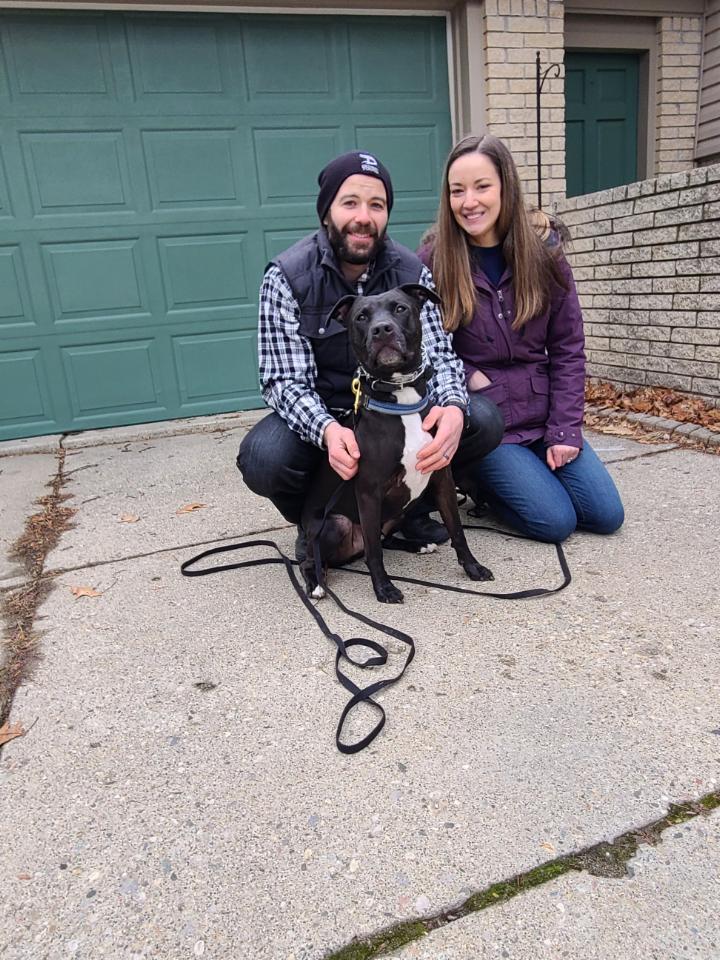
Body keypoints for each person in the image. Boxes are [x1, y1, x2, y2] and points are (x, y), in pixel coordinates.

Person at [236, 150, 504, 554]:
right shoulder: (288, 277)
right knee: (264, 457)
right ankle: (322, 521)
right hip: (329, 412)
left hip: (397, 406)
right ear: (326, 212)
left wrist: (451, 407)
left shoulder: (411, 271)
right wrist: (327, 430)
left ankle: (408, 511)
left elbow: (442, 357)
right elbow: (282, 380)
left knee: (479, 419)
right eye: (350, 203)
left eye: (376, 205)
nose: (364, 216)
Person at [418, 134, 624, 544]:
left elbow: (568, 348)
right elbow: (424, 347)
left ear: (505, 187)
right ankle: (478, 481)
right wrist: (469, 372)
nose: (469, 201)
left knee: (605, 515)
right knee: (555, 522)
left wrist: (564, 430)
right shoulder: (434, 260)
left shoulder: (545, 256)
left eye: (482, 186)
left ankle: (530, 474)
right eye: (457, 191)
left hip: (543, 413)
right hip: (489, 425)